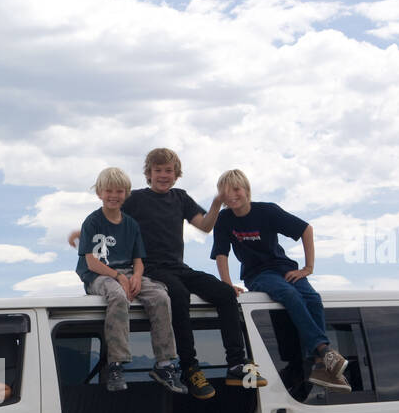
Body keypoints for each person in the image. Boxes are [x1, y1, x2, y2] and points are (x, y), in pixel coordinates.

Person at [70, 148, 268, 399]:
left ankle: (237, 365)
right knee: (178, 295)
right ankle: (189, 367)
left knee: (225, 293)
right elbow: (110, 214)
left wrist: (217, 203)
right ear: (149, 174)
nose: (163, 175)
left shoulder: (181, 198)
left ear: (176, 175)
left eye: (169, 171)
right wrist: (81, 233)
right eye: (158, 170)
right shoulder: (137, 198)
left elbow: (205, 226)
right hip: (150, 268)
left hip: (178, 267)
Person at [210, 169, 349, 391]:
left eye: (236, 189)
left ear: (246, 190)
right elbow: (221, 254)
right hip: (258, 274)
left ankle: (319, 364)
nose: (232, 195)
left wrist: (308, 268)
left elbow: (306, 229)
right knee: (288, 295)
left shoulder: (267, 211)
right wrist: (226, 284)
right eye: (225, 191)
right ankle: (323, 351)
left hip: (283, 268)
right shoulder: (224, 219)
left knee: (312, 299)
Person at [75, 167, 187, 394]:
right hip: (98, 276)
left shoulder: (131, 224)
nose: (113, 196)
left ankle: (165, 364)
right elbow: (91, 262)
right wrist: (118, 277)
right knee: (117, 295)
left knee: (160, 295)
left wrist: (136, 277)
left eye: (119, 191)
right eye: (108, 191)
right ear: (99, 192)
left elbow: (139, 259)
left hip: (127, 272)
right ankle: (116, 364)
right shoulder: (92, 221)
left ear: (126, 194)